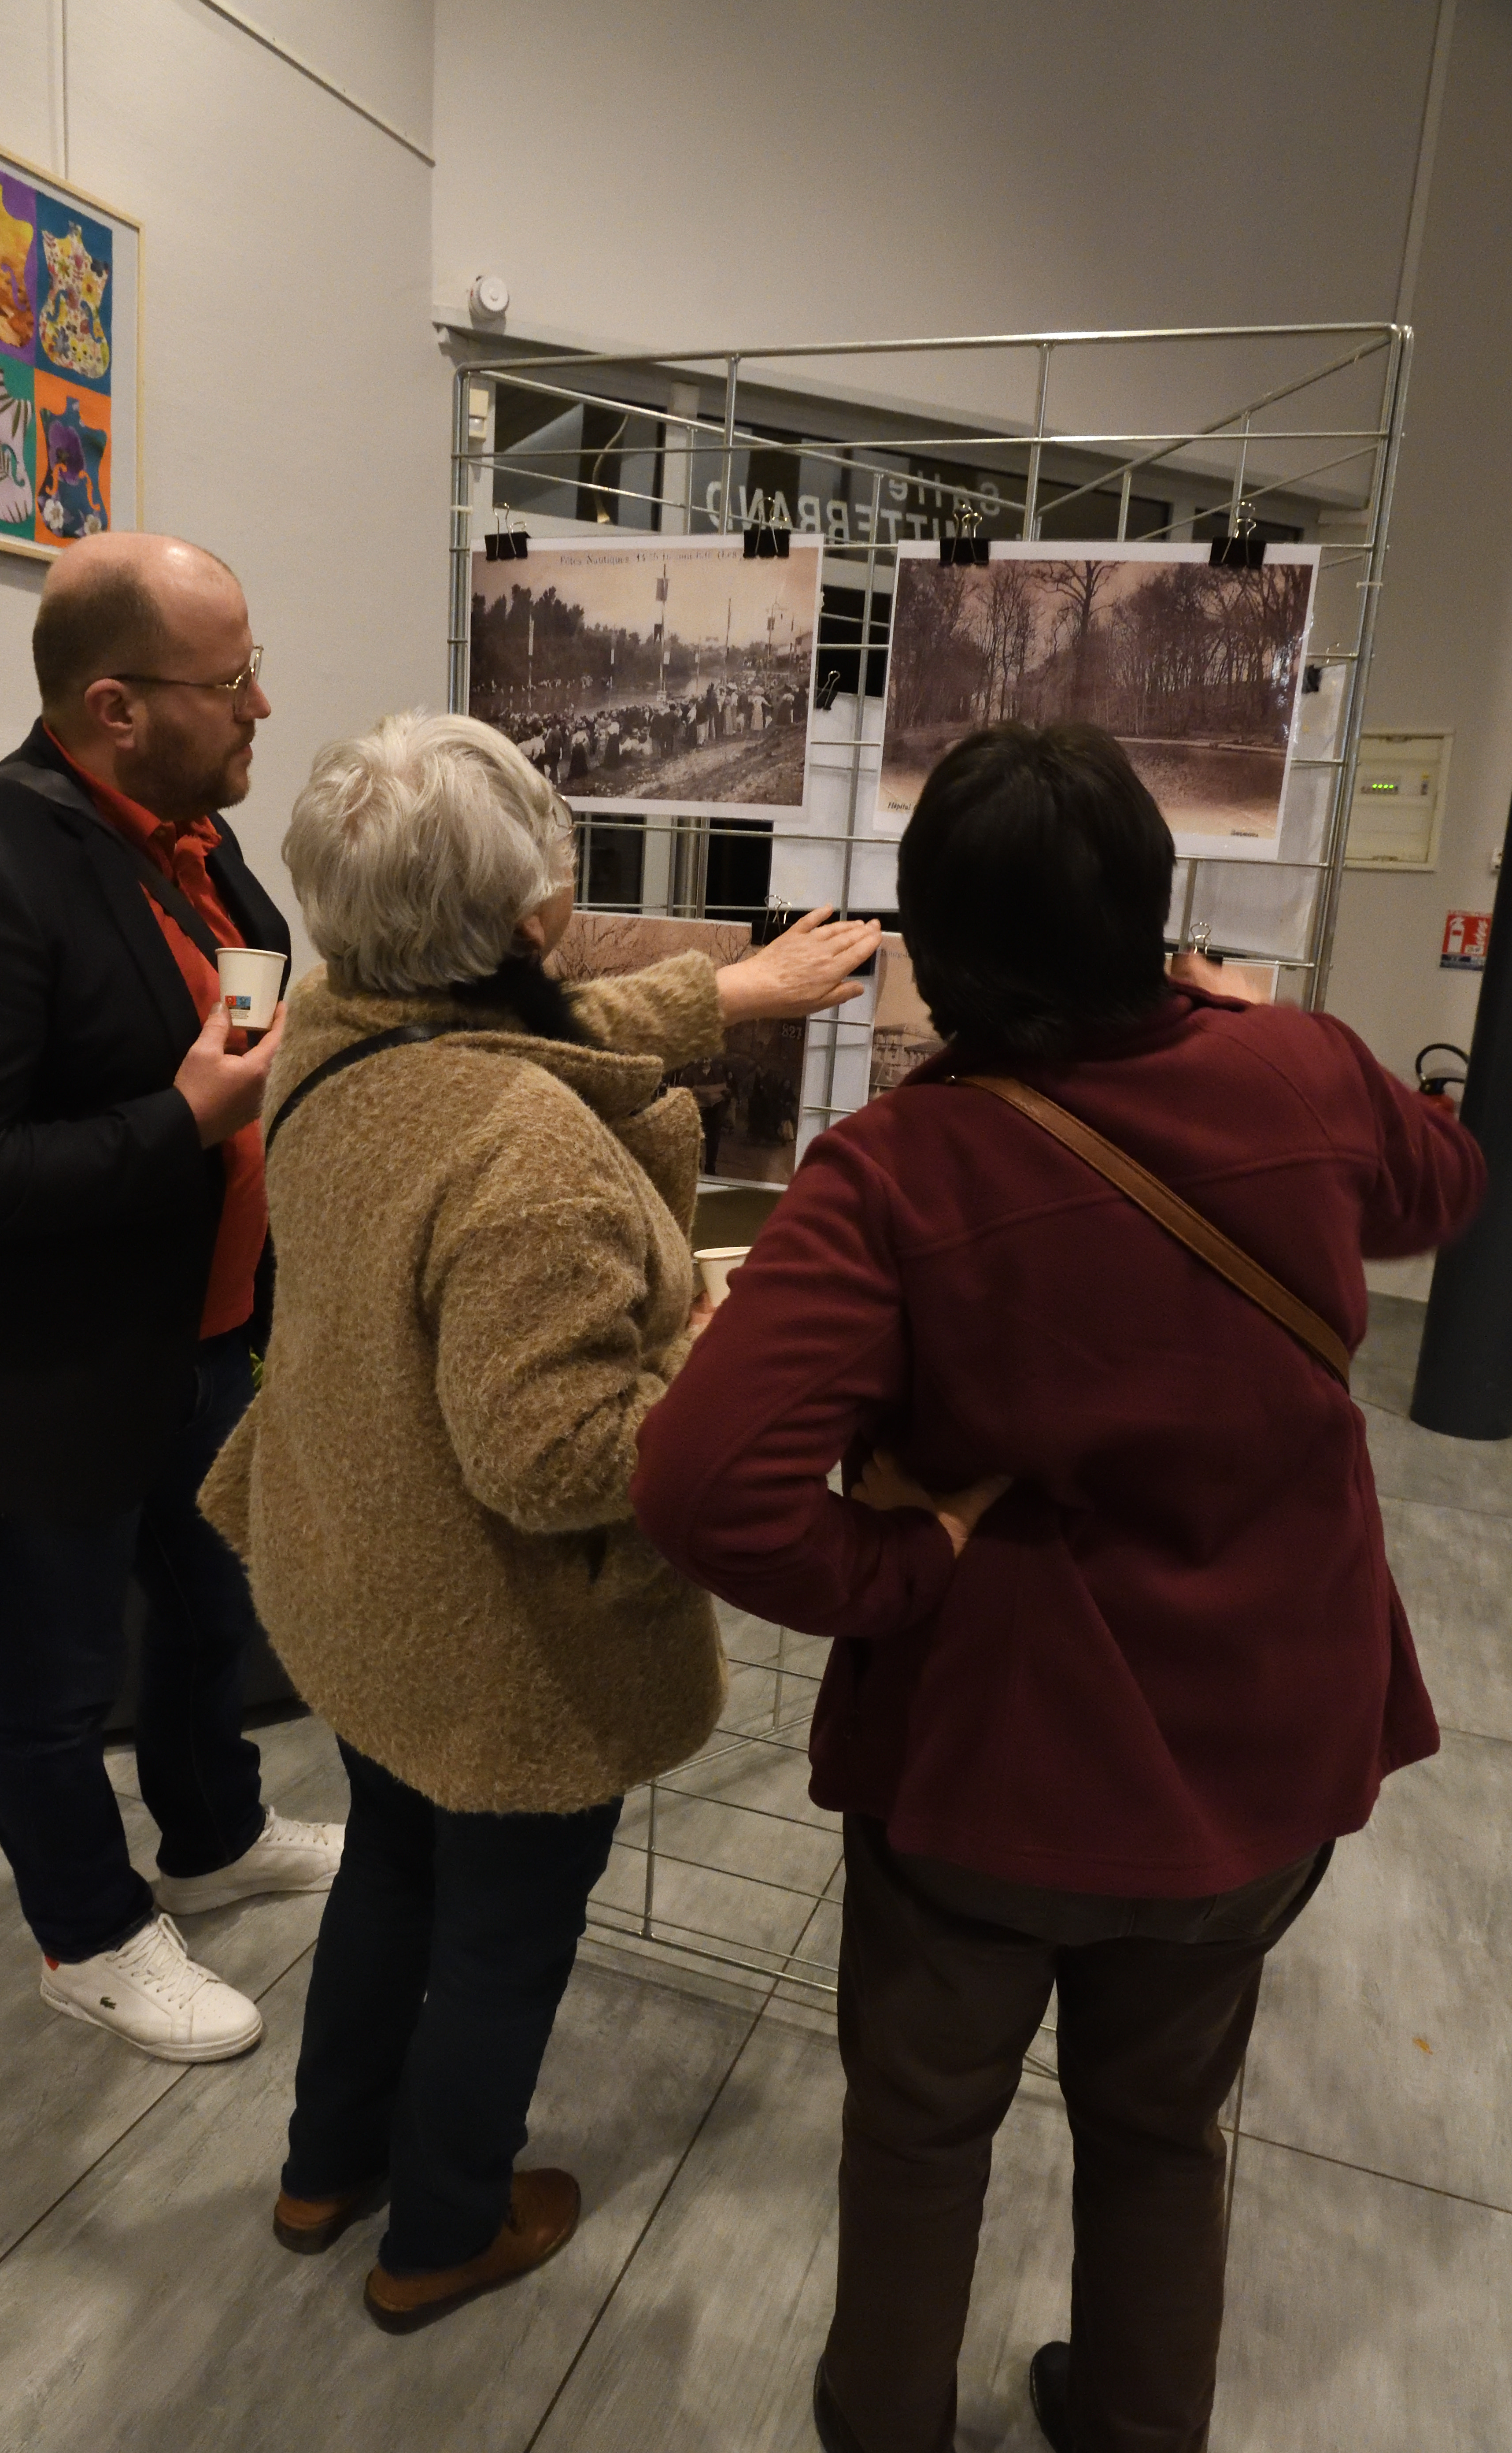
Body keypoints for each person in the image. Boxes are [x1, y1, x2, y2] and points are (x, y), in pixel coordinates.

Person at [632, 721, 1484, 2453]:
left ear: (929, 950)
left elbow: (704, 1486)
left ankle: (884, 2429)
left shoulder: (892, 1170)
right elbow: (1441, 1187)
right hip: (1257, 1753)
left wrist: (895, 1564)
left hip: (987, 1763)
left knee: (921, 2130)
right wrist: (1255, 1025)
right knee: (1165, 2134)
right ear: (1157, 920)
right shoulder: (1306, 1074)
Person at [196, 710, 882, 2330]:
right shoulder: (528, 1156)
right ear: (531, 922)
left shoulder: (327, 1037)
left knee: (390, 1884)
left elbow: (529, 1016)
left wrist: (731, 991)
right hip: (504, 1645)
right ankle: (441, 2233)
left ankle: (325, 2168)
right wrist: (711, 1356)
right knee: (500, 1942)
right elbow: (562, 1460)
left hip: (355, 1577)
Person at [0, 533, 343, 2066]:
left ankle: (210, 1836)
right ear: (116, 704)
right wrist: (185, 1119)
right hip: (39, 1378)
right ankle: (87, 1935)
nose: (262, 705)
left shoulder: (191, 843)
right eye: (232, 681)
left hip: (199, 1347)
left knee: (205, 1622)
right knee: (51, 1678)